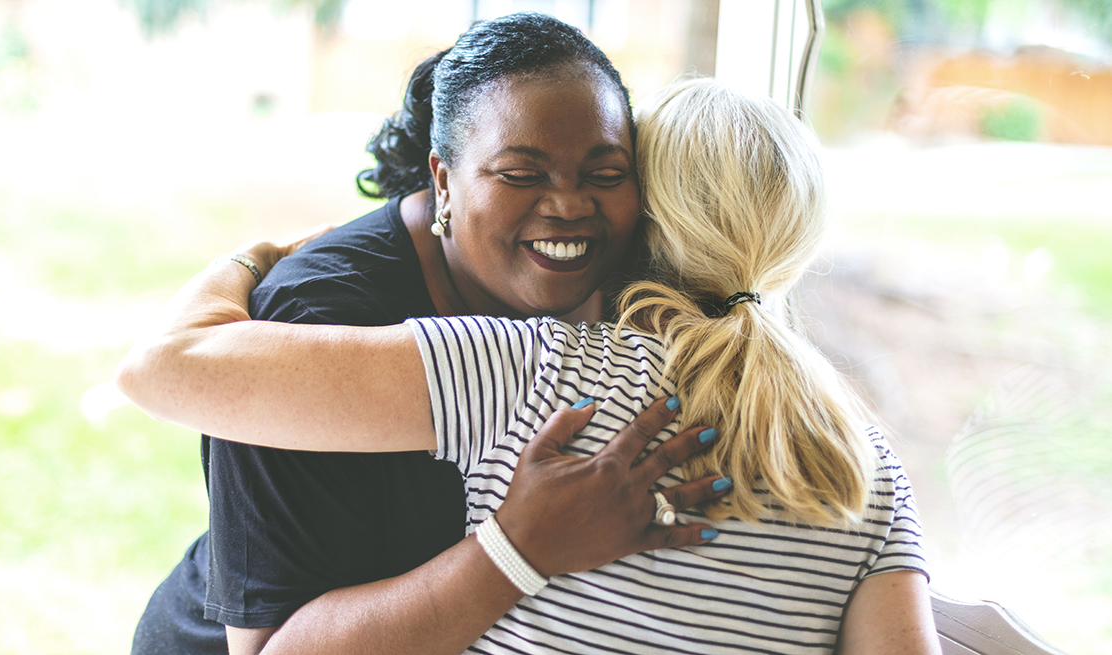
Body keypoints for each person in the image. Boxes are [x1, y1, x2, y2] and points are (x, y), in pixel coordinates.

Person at [119, 78, 942, 654]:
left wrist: (255, 258)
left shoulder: (532, 371)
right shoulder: (863, 464)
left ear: (642, 216)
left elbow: (168, 371)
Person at [130, 12, 725, 655]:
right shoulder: (315, 316)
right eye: (522, 174)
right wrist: (517, 552)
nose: (570, 204)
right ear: (443, 179)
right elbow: (267, 647)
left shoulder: (621, 280)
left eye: (604, 175)